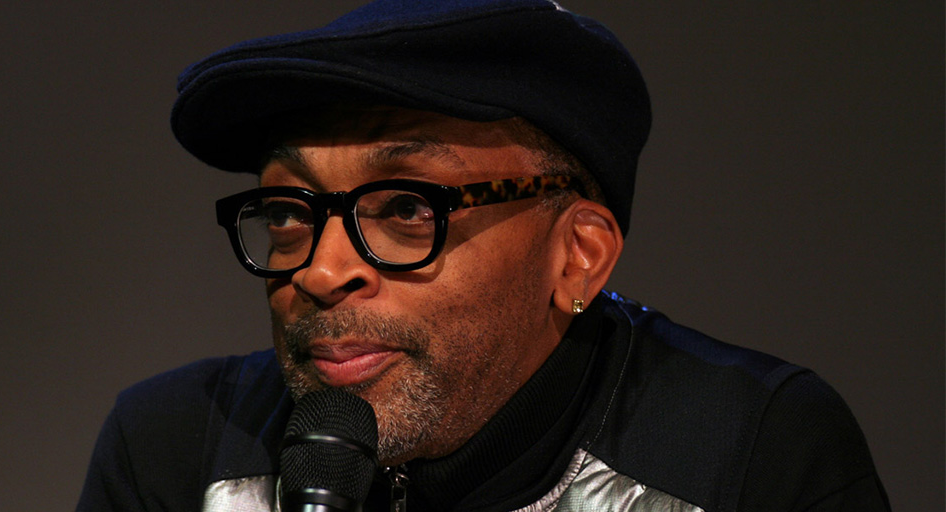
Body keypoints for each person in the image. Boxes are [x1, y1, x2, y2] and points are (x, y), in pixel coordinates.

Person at [77, 0, 890, 510]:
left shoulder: (750, 451)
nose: (320, 273)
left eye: (405, 208)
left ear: (577, 257)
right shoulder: (176, 449)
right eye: (290, 213)